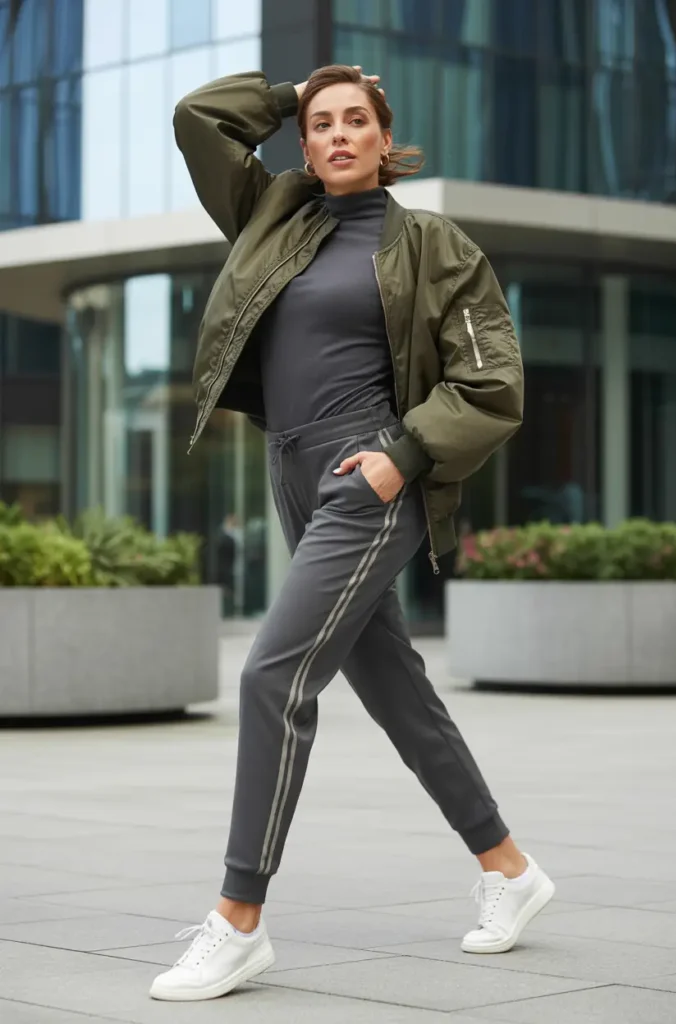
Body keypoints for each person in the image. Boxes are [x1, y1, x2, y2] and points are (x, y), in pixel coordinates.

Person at [150, 64, 554, 1003]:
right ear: (302, 138)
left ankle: (238, 919)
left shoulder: (433, 245)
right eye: (320, 122)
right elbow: (197, 118)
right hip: (290, 469)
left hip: (372, 476)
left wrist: (400, 457)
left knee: (271, 674)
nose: (336, 134)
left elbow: (492, 383)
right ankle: (509, 869)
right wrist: (296, 86)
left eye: (353, 120)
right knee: (393, 688)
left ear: (383, 138)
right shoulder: (271, 217)